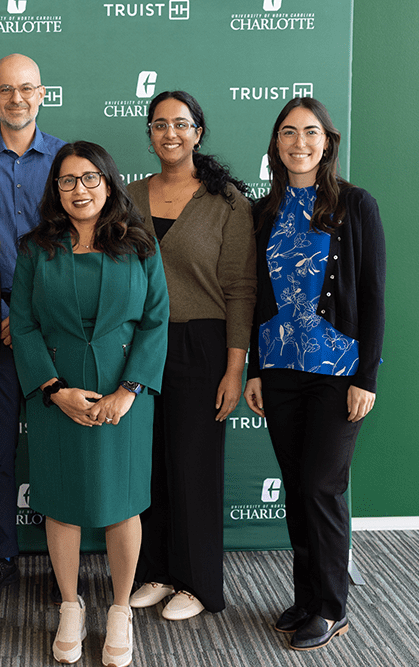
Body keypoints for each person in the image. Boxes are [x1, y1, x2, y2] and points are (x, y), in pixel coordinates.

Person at [11, 141, 169, 667]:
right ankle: (70, 606)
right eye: (68, 180)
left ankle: (120, 609)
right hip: (56, 394)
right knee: (62, 502)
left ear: (108, 182)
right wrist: (54, 390)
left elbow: (154, 321)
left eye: (90, 178)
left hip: (127, 395)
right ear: (55, 189)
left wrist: (129, 391)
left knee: (122, 504)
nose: (80, 189)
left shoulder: (141, 244)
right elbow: (25, 323)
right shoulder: (36, 247)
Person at [243, 97, 385, 651]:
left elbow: (373, 296)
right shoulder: (264, 209)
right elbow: (256, 296)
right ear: (276, 145)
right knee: (298, 490)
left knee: (323, 487)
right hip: (280, 370)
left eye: (309, 132)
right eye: (287, 133)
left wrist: (366, 378)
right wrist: (256, 369)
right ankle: (307, 598)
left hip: (338, 372)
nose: (298, 142)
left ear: (327, 141)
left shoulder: (355, 205)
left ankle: (331, 607)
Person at [126, 91, 256, 620]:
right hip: (138, 343)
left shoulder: (228, 204)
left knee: (194, 467)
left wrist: (233, 367)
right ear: (150, 134)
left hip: (202, 344)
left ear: (198, 133)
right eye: (160, 124)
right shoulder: (127, 196)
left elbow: (241, 289)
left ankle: (198, 583)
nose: (170, 133)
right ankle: (155, 570)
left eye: (181, 124)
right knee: (149, 463)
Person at [0, 53, 67, 605]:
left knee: (59, 447)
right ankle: (0, 557)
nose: (16, 98)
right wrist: (3, 318)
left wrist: (32, 319)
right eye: (6, 89)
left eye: (27, 88)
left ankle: (62, 563)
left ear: (42, 93)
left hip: (57, 327)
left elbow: (82, 246)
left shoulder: (69, 160)